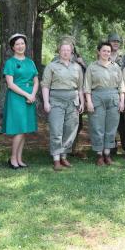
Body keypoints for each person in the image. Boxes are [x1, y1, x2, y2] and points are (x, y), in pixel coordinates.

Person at [42, 38, 84, 171]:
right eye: (63, 50)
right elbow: (45, 85)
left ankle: (64, 156)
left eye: (68, 50)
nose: (66, 52)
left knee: (70, 129)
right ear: (59, 51)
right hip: (56, 100)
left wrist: (82, 102)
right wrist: (46, 102)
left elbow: (80, 87)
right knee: (56, 129)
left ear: (72, 52)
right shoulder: (52, 66)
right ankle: (56, 158)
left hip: (73, 100)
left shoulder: (77, 67)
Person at [84, 42, 125, 166]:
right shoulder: (92, 67)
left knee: (111, 128)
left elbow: (121, 86)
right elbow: (87, 86)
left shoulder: (116, 67)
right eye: (104, 51)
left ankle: (107, 154)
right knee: (97, 127)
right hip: (97, 97)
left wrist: (122, 101)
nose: (106, 53)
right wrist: (89, 102)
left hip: (113, 98)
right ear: (98, 52)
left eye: (108, 51)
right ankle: (99, 155)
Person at [2, 34, 38, 169]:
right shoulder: (10, 63)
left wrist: (33, 94)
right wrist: (26, 95)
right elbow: (10, 84)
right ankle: (12, 158)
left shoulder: (30, 62)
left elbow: (36, 80)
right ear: (13, 47)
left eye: (22, 43)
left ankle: (19, 158)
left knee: (25, 129)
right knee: (19, 128)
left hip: (30, 96)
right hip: (17, 97)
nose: (20, 46)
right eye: (17, 44)